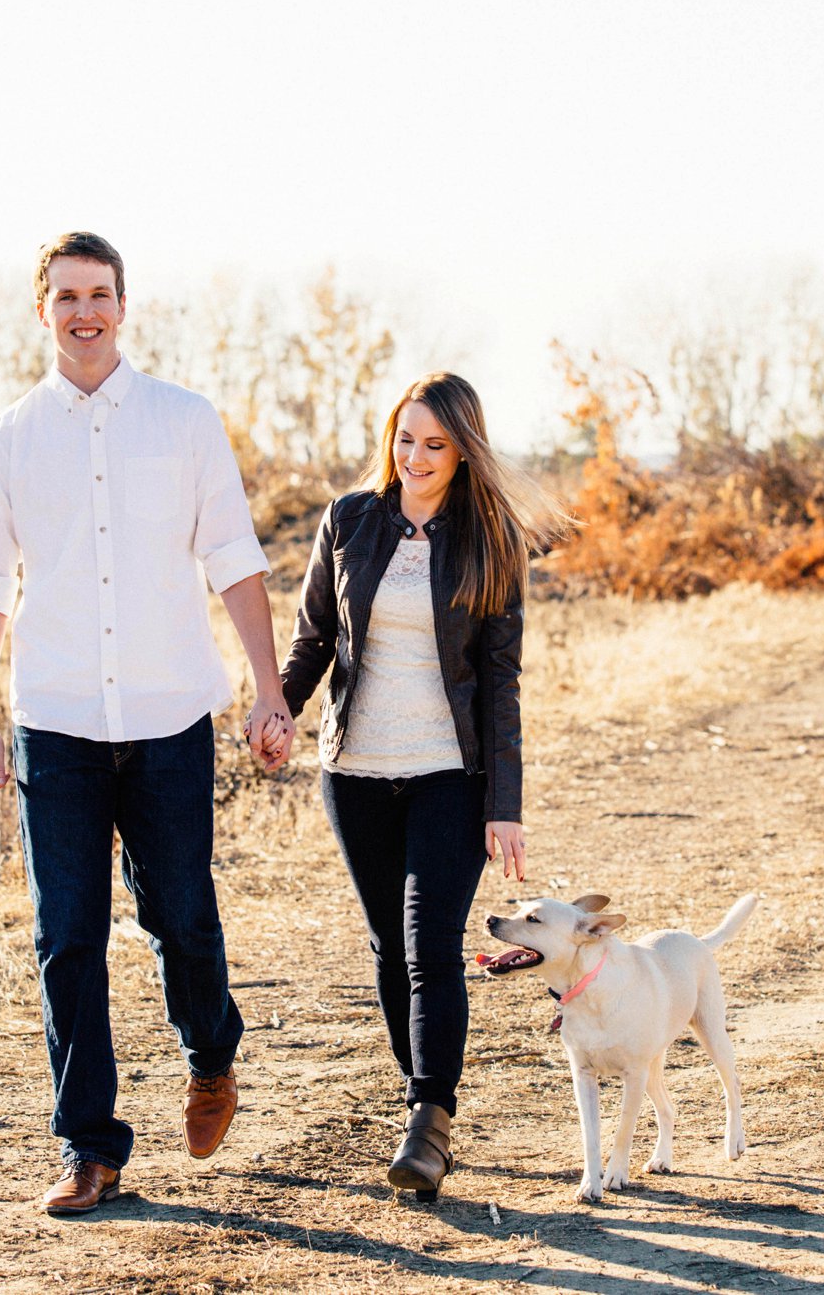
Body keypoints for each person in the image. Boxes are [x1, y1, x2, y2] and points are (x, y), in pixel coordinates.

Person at [0, 232, 295, 1219]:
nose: (83, 312)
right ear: (42, 311)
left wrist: (267, 691)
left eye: (98, 294)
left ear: (122, 304)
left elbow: (234, 559)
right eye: (65, 297)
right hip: (53, 721)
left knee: (179, 915)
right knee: (67, 938)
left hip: (166, 716)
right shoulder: (7, 440)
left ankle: (209, 1051)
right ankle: (88, 1147)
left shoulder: (183, 424)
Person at [277, 371, 569, 1199]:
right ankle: (426, 1102)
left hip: (449, 771)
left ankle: (428, 1119)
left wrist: (504, 806)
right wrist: (278, 709)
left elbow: (502, 683)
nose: (416, 456)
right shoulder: (351, 519)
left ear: (463, 449)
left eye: (435, 444)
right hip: (356, 772)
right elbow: (314, 638)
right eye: (406, 438)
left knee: (428, 945)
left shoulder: (491, 539)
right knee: (386, 950)